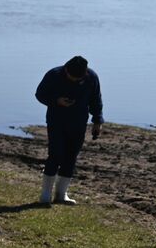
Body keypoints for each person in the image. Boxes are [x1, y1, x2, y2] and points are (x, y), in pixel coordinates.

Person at [34, 55, 104, 206]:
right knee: (55, 155)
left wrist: (98, 121)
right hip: (56, 121)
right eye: (72, 77)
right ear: (66, 70)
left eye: (78, 78)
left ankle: (61, 194)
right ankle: (45, 194)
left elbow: (96, 100)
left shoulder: (91, 77)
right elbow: (40, 94)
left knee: (71, 157)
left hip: (79, 122)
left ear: (85, 73)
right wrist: (56, 100)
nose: (75, 80)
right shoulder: (54, 74)